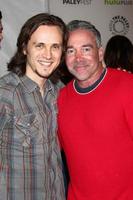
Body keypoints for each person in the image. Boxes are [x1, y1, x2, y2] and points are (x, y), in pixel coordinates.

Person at [57, 20, 133, 200]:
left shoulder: (127, 86)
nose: (78, 58)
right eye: (70, 50)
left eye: (86, 49)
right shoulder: (59, 98)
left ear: (100, 53)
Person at [0, 13, 68, 200]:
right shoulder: (5, 93)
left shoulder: (60, 91)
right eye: (40, 45)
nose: (48, 55)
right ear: (24, 48)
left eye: (55, 47)